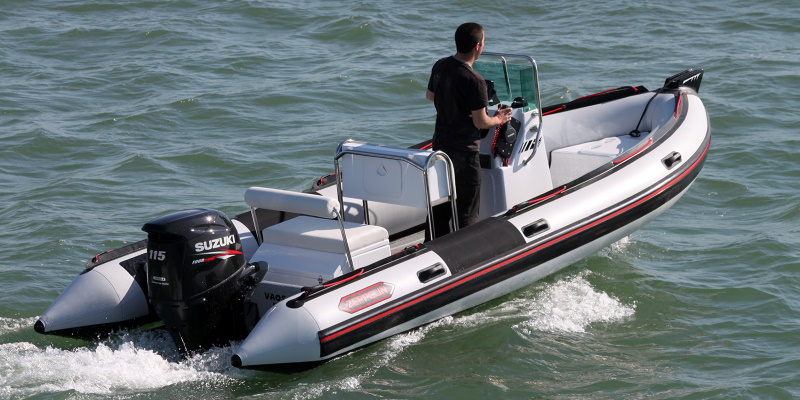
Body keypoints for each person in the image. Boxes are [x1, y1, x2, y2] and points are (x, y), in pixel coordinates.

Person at [426, 22, 512, 230]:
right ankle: (464, 246)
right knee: (467, 210)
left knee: (440, 207)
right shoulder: (475, 81)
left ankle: (432, 244)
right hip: (465, 152)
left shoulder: (440, 65)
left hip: (440, 146)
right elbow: (480, 122)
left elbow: (430, 96)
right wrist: (499, 119)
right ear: (477, 46)